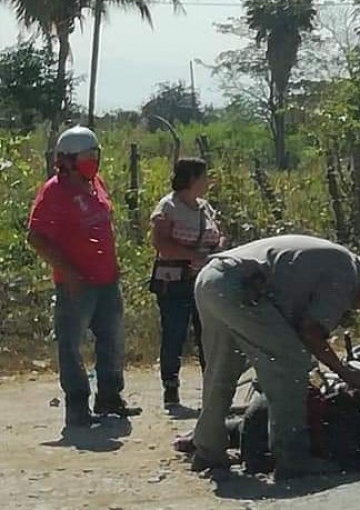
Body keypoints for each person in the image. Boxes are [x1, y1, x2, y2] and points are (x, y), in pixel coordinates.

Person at [190, 234, 360, 480]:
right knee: (292, 364)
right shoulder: (348, 275)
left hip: (211, 279)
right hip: (240, 287)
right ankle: (293, 459)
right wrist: (346, 373)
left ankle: (208, 451)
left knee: (222, 370)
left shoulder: (342, 261)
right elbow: (311, 332)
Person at [27, 126, 141, 427]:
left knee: (112, 341)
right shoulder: (54, 191)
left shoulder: (95, 184)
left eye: (95, 154)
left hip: (107, 279)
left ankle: (109, 397)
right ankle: (77, 406)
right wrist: (70, 273)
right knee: (71, 345)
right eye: (89, 155)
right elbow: (37, 237)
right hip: (76, 284)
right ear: (70, 159)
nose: (95, 160)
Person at [150, 158, 224, 409]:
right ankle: (170, 387)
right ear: (192, 179)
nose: (207, 181)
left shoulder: (205, 208)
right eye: (204, 176)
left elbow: (218, 234)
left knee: (208, 335)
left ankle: (212, 388)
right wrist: (195, 256)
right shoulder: (168, 206)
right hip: (175, 282)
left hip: (204, 281)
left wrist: (217, 250)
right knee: (175, 333)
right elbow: (161, 244)